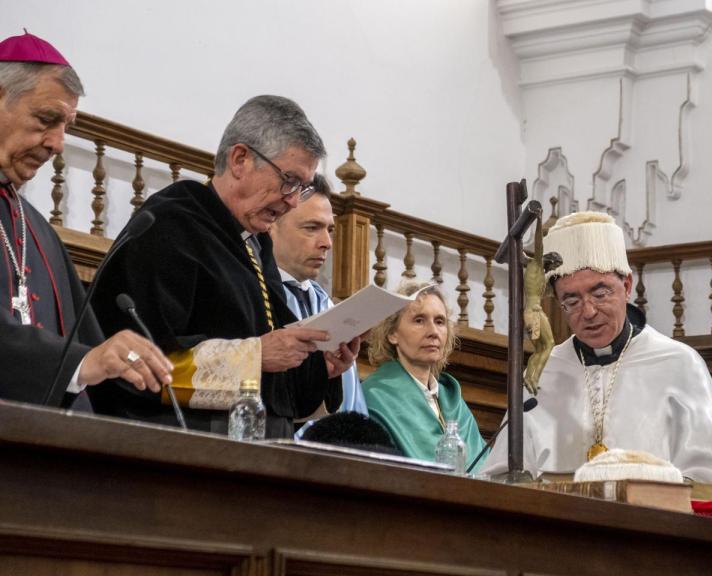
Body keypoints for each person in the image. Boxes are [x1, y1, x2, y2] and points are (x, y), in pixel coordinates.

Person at [88, 95, 360, 438]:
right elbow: (134, 363)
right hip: (181, 451)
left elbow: (273, 382)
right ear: (240, 159)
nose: (292, 200)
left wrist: (321, 368)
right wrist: (255, 355)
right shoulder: (170, 225)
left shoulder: (255, 243)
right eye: (288, 180)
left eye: (301, 187)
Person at [483, 212, 712, 491]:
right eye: (571, 300)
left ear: (627, 286)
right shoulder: (544, 372)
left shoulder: (679, 365)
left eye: (600, 293)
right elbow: (502, 478)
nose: (589, 312)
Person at [0, 31, 171, 407]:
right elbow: (81, 358)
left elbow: (90, 350)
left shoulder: (36, 231)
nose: (58, 143)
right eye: (47, 119)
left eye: (66, 127)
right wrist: (80, 362)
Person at [269, 173, 366, 419]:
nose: (327, 243)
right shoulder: (255, 296)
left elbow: (353, 409)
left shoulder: (327, 305)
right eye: (312, 228)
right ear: (271, 225)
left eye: (329, 230)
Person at [362, 281, 487, 470]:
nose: (433, 332)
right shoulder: (374, 395)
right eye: (419, 320)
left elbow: (488, 469)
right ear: (392, 334)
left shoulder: (453, 400)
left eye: (440, 322)